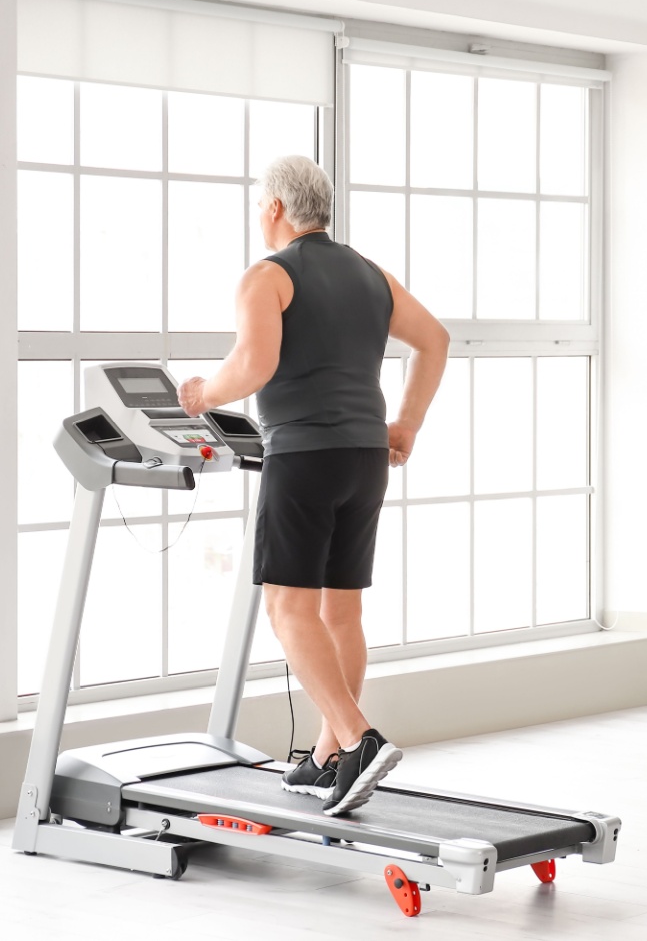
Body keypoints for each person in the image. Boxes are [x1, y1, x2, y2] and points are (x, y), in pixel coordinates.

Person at [177, 154, 449, 816]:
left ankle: (357, 740)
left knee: (287, 608)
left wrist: (201, 394)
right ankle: (329, 759)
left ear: (274, 208)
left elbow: (255, 362)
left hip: (303, 455)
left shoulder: (268, 276)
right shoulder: (370, 275)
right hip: (364, 457)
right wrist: (405, 425)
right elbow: (434, 340)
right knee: (340, 612)